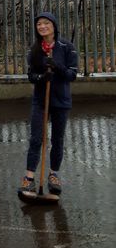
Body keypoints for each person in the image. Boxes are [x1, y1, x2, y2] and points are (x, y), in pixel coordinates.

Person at [19, 12, 78, 195]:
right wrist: (42, 77)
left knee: (57, 140)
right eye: (39, 24)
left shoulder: (67, 47)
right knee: (36, 139)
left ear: (54, 25)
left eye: (46, 23)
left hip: (61, 100)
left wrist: (58, 67)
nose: (42, 26)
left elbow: (72, 75)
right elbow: (31, 76)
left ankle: (53, 175)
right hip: (40, 100)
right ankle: (29, 178)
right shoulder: (34, 49)